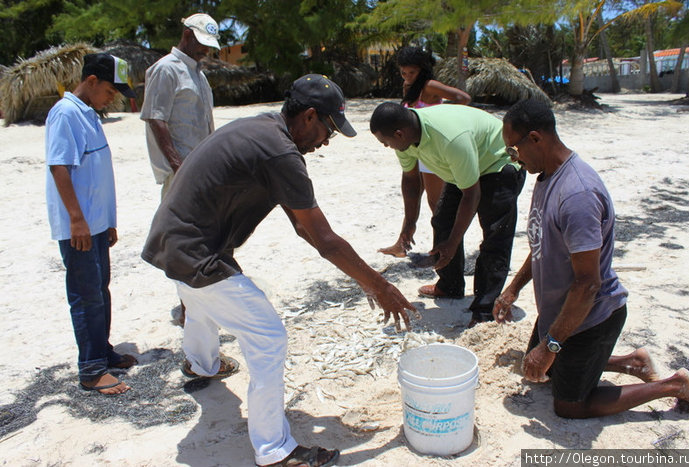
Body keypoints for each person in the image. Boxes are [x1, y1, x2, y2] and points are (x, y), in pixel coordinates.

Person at [141, 74, 417, 467]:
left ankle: (201, 363)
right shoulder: (280, 153)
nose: (325, 142)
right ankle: (274, 451)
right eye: (328, 130)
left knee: (200, 303)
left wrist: (366, 282)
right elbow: (324, 238)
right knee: (269, 339)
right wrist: (380, 286)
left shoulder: (265, 129)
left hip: (171, 242)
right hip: (195, 253)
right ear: (307, 116)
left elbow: (304, 227)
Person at [493, 99, 689, 418]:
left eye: (513, 149)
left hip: (591, 314)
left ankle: (673, 385)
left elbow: (588, 284)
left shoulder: (577, 194)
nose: (514, 158)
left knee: (569, 406)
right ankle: (632, 362)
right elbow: (541, 246)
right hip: (560, 309)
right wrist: (513, 288)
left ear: (535, 138)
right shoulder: (546, 177)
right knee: (539, 372)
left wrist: (550, 346)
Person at [370, 102, 526, 327]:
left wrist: (453, 243)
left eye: (385, 142)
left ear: (399, 133)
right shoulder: (405, 139)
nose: (386, 146)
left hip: (497, 162)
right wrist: (409, 224)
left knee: (495, 235)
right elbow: (412, 180)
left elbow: (471, 194)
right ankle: (450, 286)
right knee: (443, 221)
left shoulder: (450, 139)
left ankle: (485, 309)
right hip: (463, 168)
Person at [45, 53, 138, 395]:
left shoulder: (90, 115)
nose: (112, 97)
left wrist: (108, 221)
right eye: (111, 90)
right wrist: (77, 220)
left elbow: (96, 173)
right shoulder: (66, 114)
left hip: (96, 223)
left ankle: (103, 351)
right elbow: (59, 167)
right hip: (79, 226)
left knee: (100, 289)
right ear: (92, 81)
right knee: (85, 296)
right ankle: (90, 369)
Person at [140, 13, 221, 326]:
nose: (205, 51)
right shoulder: (165, 69)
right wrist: (178, 164)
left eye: (208, 46)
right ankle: (189, 308)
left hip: (203, 169)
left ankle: (199, 301)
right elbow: (156, 118)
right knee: (184, 240)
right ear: (187, 34)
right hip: (182, 171)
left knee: (204, 236)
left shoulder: (199, 75)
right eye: (201, 43)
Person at [379, 46, 471, 258]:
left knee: (435, 203)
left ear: (422, 69)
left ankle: (446, 246)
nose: (408, 77)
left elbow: (462, 97)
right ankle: (402, 244)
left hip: (432, 148)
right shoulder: (409, 88)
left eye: (412, 72)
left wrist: (441, 115)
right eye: (404, 72)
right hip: (414, 150)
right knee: (411, 197)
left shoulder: (429, 86)